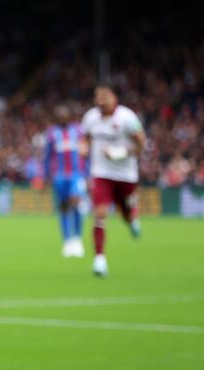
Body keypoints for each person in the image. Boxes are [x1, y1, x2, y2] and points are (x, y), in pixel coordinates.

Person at [81, 84, 145, 277]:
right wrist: (84, 148)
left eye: (105, 97)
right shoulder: (90, 118)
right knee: (99, 213)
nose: (101, 102)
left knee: (125, 214)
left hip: (126, 175)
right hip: (101, 173)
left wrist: (121, 153)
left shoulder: (127, 118)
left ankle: (132, 219)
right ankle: (99, 260)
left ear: (114, 98)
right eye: (98, 98)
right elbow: (86, 139)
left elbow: (141, 143)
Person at [43, 104, 86, 257]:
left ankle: (78, 240)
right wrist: (47, 176)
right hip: (59, 176)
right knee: (63, 208)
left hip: (76, 175)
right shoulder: (52, 133)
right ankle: (67, 242)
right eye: (59, 116)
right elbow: (47, 157)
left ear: (69, 116)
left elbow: (85, 153)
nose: (62, 118)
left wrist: (87, 174)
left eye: (64, 115)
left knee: (76, 204)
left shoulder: (78, 131)